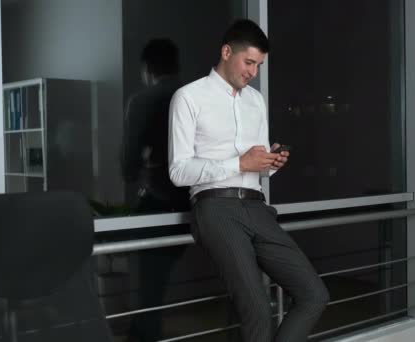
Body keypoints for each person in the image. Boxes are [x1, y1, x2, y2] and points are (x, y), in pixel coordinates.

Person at [168, 19, 329, 342]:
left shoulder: (255, 100)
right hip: (215, 208)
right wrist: (238, 163)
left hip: (257, 207)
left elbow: (258, 167)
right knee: (256, 309)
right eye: (249, 62)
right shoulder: (188, 97)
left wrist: (271, 163)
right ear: (227, 52)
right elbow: (178, 171)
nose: (253, 72)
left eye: (259, 65)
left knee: (314, 294)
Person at [121, 38, 188, 342]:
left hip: (159, 207)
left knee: (148, 291)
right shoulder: (200, 98)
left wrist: (147, 162)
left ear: (147, 69)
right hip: (198, 206)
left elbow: (127, 167)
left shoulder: (144, 101)